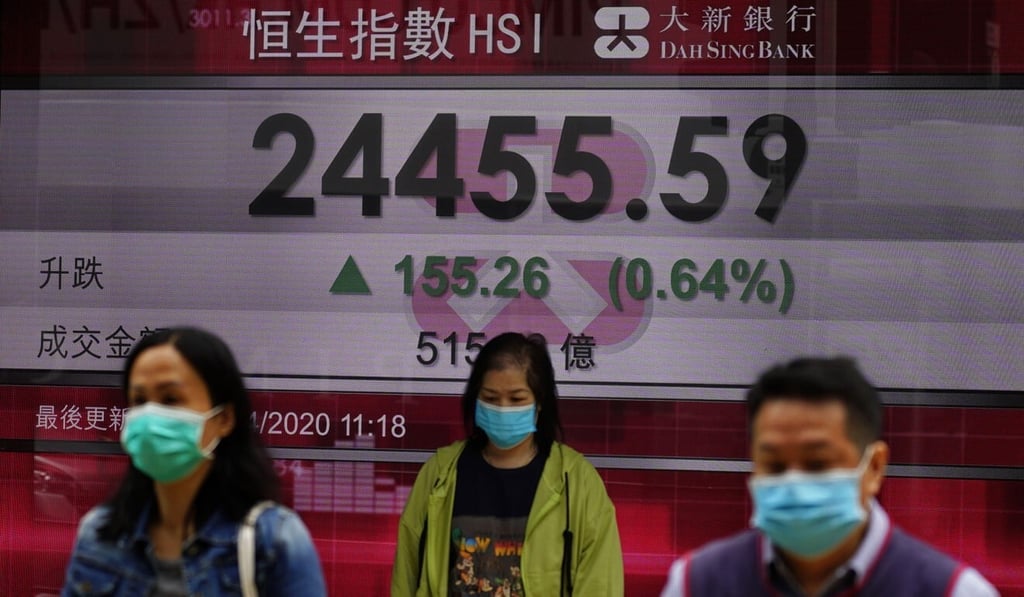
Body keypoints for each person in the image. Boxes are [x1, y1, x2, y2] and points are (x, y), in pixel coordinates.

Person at [660, 357, 999, 597]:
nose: (793, 484)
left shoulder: (952, 591)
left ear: (875, 468)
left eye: (817, 464)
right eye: (774, 465)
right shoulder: (696, 585)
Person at [62, 327, 327, 596]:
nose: (151, 415)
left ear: (224, 419)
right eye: (139, 401)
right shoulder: (99, 535)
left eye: (171, 399)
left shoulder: (274, 540)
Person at [392, 332, 624, 596]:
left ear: (540, 403)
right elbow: (407, 574)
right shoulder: (439, 474)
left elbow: (600, 584)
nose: (502, 408)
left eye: (516, 399)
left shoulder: (577, 482)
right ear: (475, 400)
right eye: (490, 398)